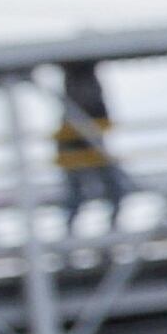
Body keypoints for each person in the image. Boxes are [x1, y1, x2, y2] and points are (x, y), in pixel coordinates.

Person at [49, 62, 124, 237]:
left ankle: (73, 236)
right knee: (81, 195)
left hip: (84, 146)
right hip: (77, 147)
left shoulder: (79, 82)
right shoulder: (83, 83)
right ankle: (74, 236)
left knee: (106, 191)